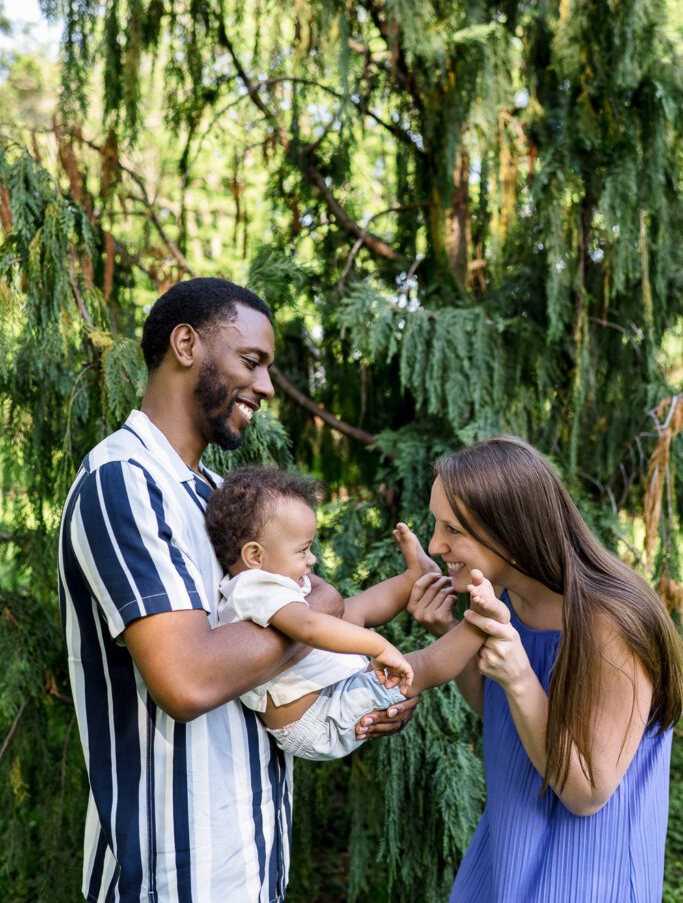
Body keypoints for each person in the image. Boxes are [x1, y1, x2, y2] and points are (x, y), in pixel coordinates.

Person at [57, 277, 416, 903]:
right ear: (186, 344)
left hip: (253, 864)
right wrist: (306, 619)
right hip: (169, 877)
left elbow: (321, 601)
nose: (267, 386)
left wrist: (355, 692)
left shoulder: (222, 499)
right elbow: (189, 680)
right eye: (251, 361)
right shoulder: (125, 481)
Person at [404, 435, 683, 903]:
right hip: (504, 860)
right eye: (436, 524)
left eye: (453, 529)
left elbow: (588, 792)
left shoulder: (611, 621)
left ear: (509, 532)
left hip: (588, 875)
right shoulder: (504, 598)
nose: (435, 543)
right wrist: (447, 630)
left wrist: (517, 674)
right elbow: (504, 719)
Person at [204, 466, 507, 760]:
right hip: (318, 719)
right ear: (254, 555)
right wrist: (379, 646)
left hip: (322, 695)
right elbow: (309, 626)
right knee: (415, 669)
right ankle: (480, 625)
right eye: (302, 550)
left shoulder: (269, 581)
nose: (311, 560)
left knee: (349, 612)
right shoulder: (254, 588)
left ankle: (412, 579)